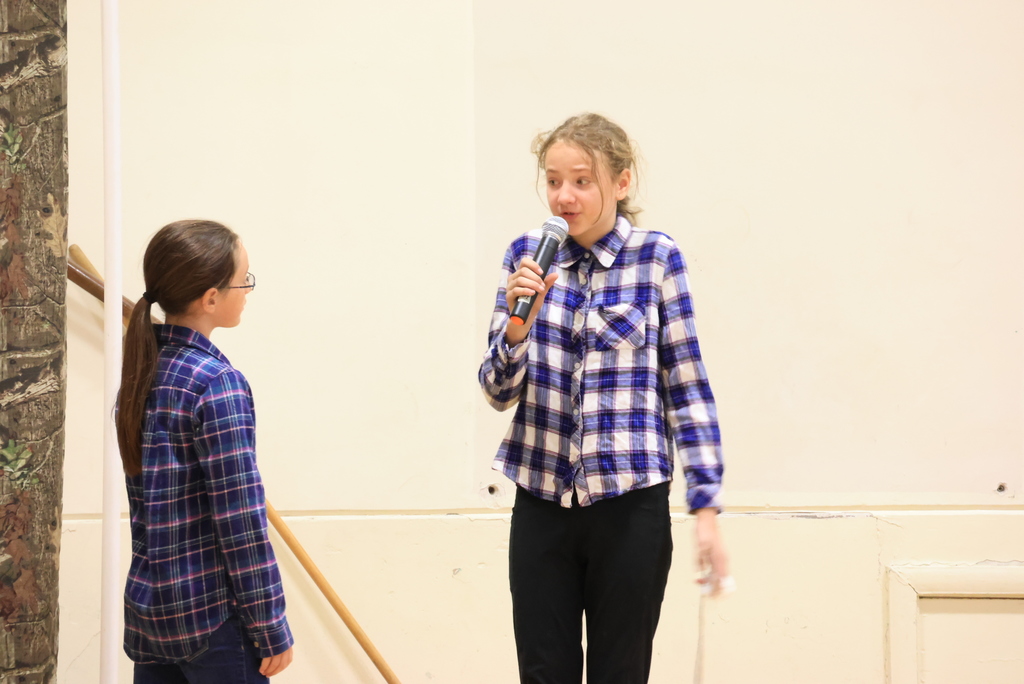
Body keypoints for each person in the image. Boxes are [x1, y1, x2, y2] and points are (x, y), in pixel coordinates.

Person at [478, 113, 729, 684]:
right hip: (541, 502)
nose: (564, 195)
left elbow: (686, 387)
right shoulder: (526, 256)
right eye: (553, 180)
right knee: (544, 673)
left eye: (582, 180)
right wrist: (517, 330)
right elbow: (497, 392)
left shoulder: (656, 258)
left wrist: (707, 505)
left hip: (629, 505)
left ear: (621, 182)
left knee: (622, 673)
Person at [115, 220, 294, 683]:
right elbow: (241, 521)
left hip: (152, 612)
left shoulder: (141, 374)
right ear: (210, 298)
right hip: (213, 620)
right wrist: (270, 623)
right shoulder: (216, 384)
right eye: (243, 280)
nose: (248, 290)